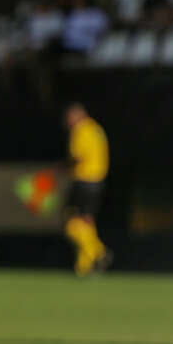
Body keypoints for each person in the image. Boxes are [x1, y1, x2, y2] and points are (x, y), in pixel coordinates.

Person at [62, 103, 111, 276]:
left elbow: (78, 156)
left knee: (71, 223)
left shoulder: (81, 130)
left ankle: (97, 251)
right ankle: (84, 265)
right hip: (98, 181)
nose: (67, 122)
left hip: (84, 179)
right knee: (87, 220)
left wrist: (64, 167)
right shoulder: (97, 129)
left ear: (76, 115)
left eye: (69, 118)